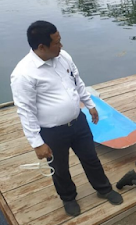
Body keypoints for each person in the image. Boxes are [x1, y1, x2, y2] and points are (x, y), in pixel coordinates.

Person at [10, 21, 123, 217]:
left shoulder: (63, 57)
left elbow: (77, 82)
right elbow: (25, 111)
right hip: (52, 131)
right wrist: (37, 143)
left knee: (91, 158)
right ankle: (68, 197)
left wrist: (90, 105)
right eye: (57, 42)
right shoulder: (23, 74)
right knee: (60, 168)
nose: (61, 46)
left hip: (78, 122)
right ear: (41, 47)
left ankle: (104, 189)